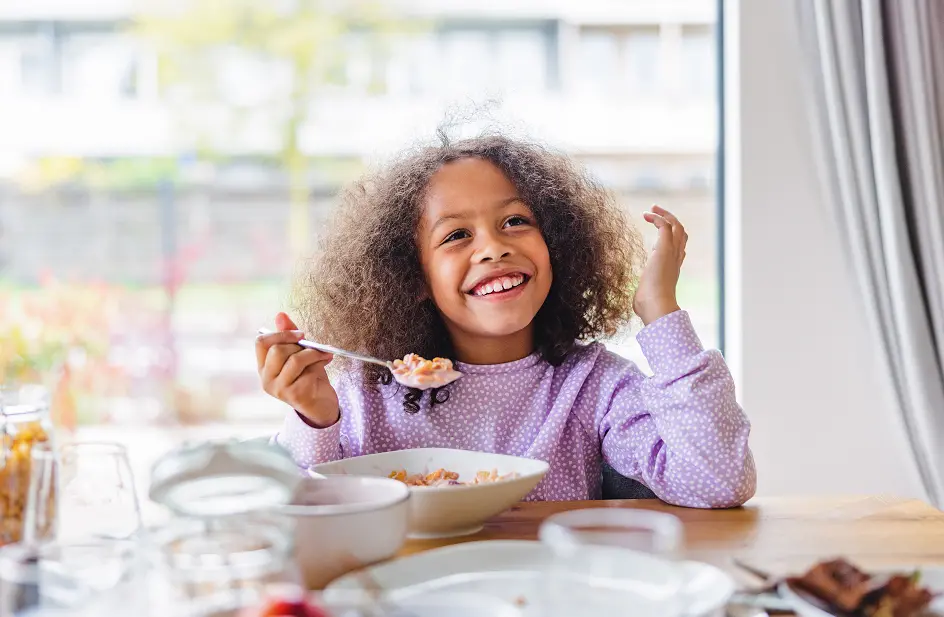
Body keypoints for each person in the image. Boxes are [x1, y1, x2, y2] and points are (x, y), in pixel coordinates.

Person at [255, 133, 756, 507]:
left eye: (515, 221)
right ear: (410, 276)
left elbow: (717, 481)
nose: (495, 246)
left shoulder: (593, 387)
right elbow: (301, 510)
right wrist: (314, 416)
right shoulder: (359, 392)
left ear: (558, 244)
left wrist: (659, 311)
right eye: (455, 236)